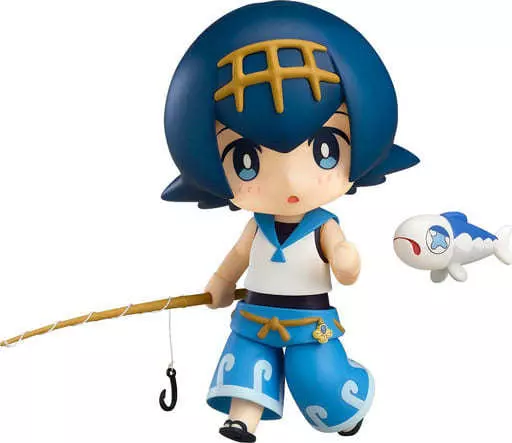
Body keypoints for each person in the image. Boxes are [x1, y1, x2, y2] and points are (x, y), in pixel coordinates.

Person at [162, 2, 419, 441]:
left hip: (308, 321)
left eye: (325, 149)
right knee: (247, 363)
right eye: (245, 159)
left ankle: (344, 411)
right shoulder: (256, 225)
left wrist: (346, 260)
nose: (291, 181)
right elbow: (238, 255)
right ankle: (242, 419)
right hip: (255, 313)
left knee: (315, 372)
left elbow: (342, 259)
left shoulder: (323, 225)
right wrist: (221, 282)